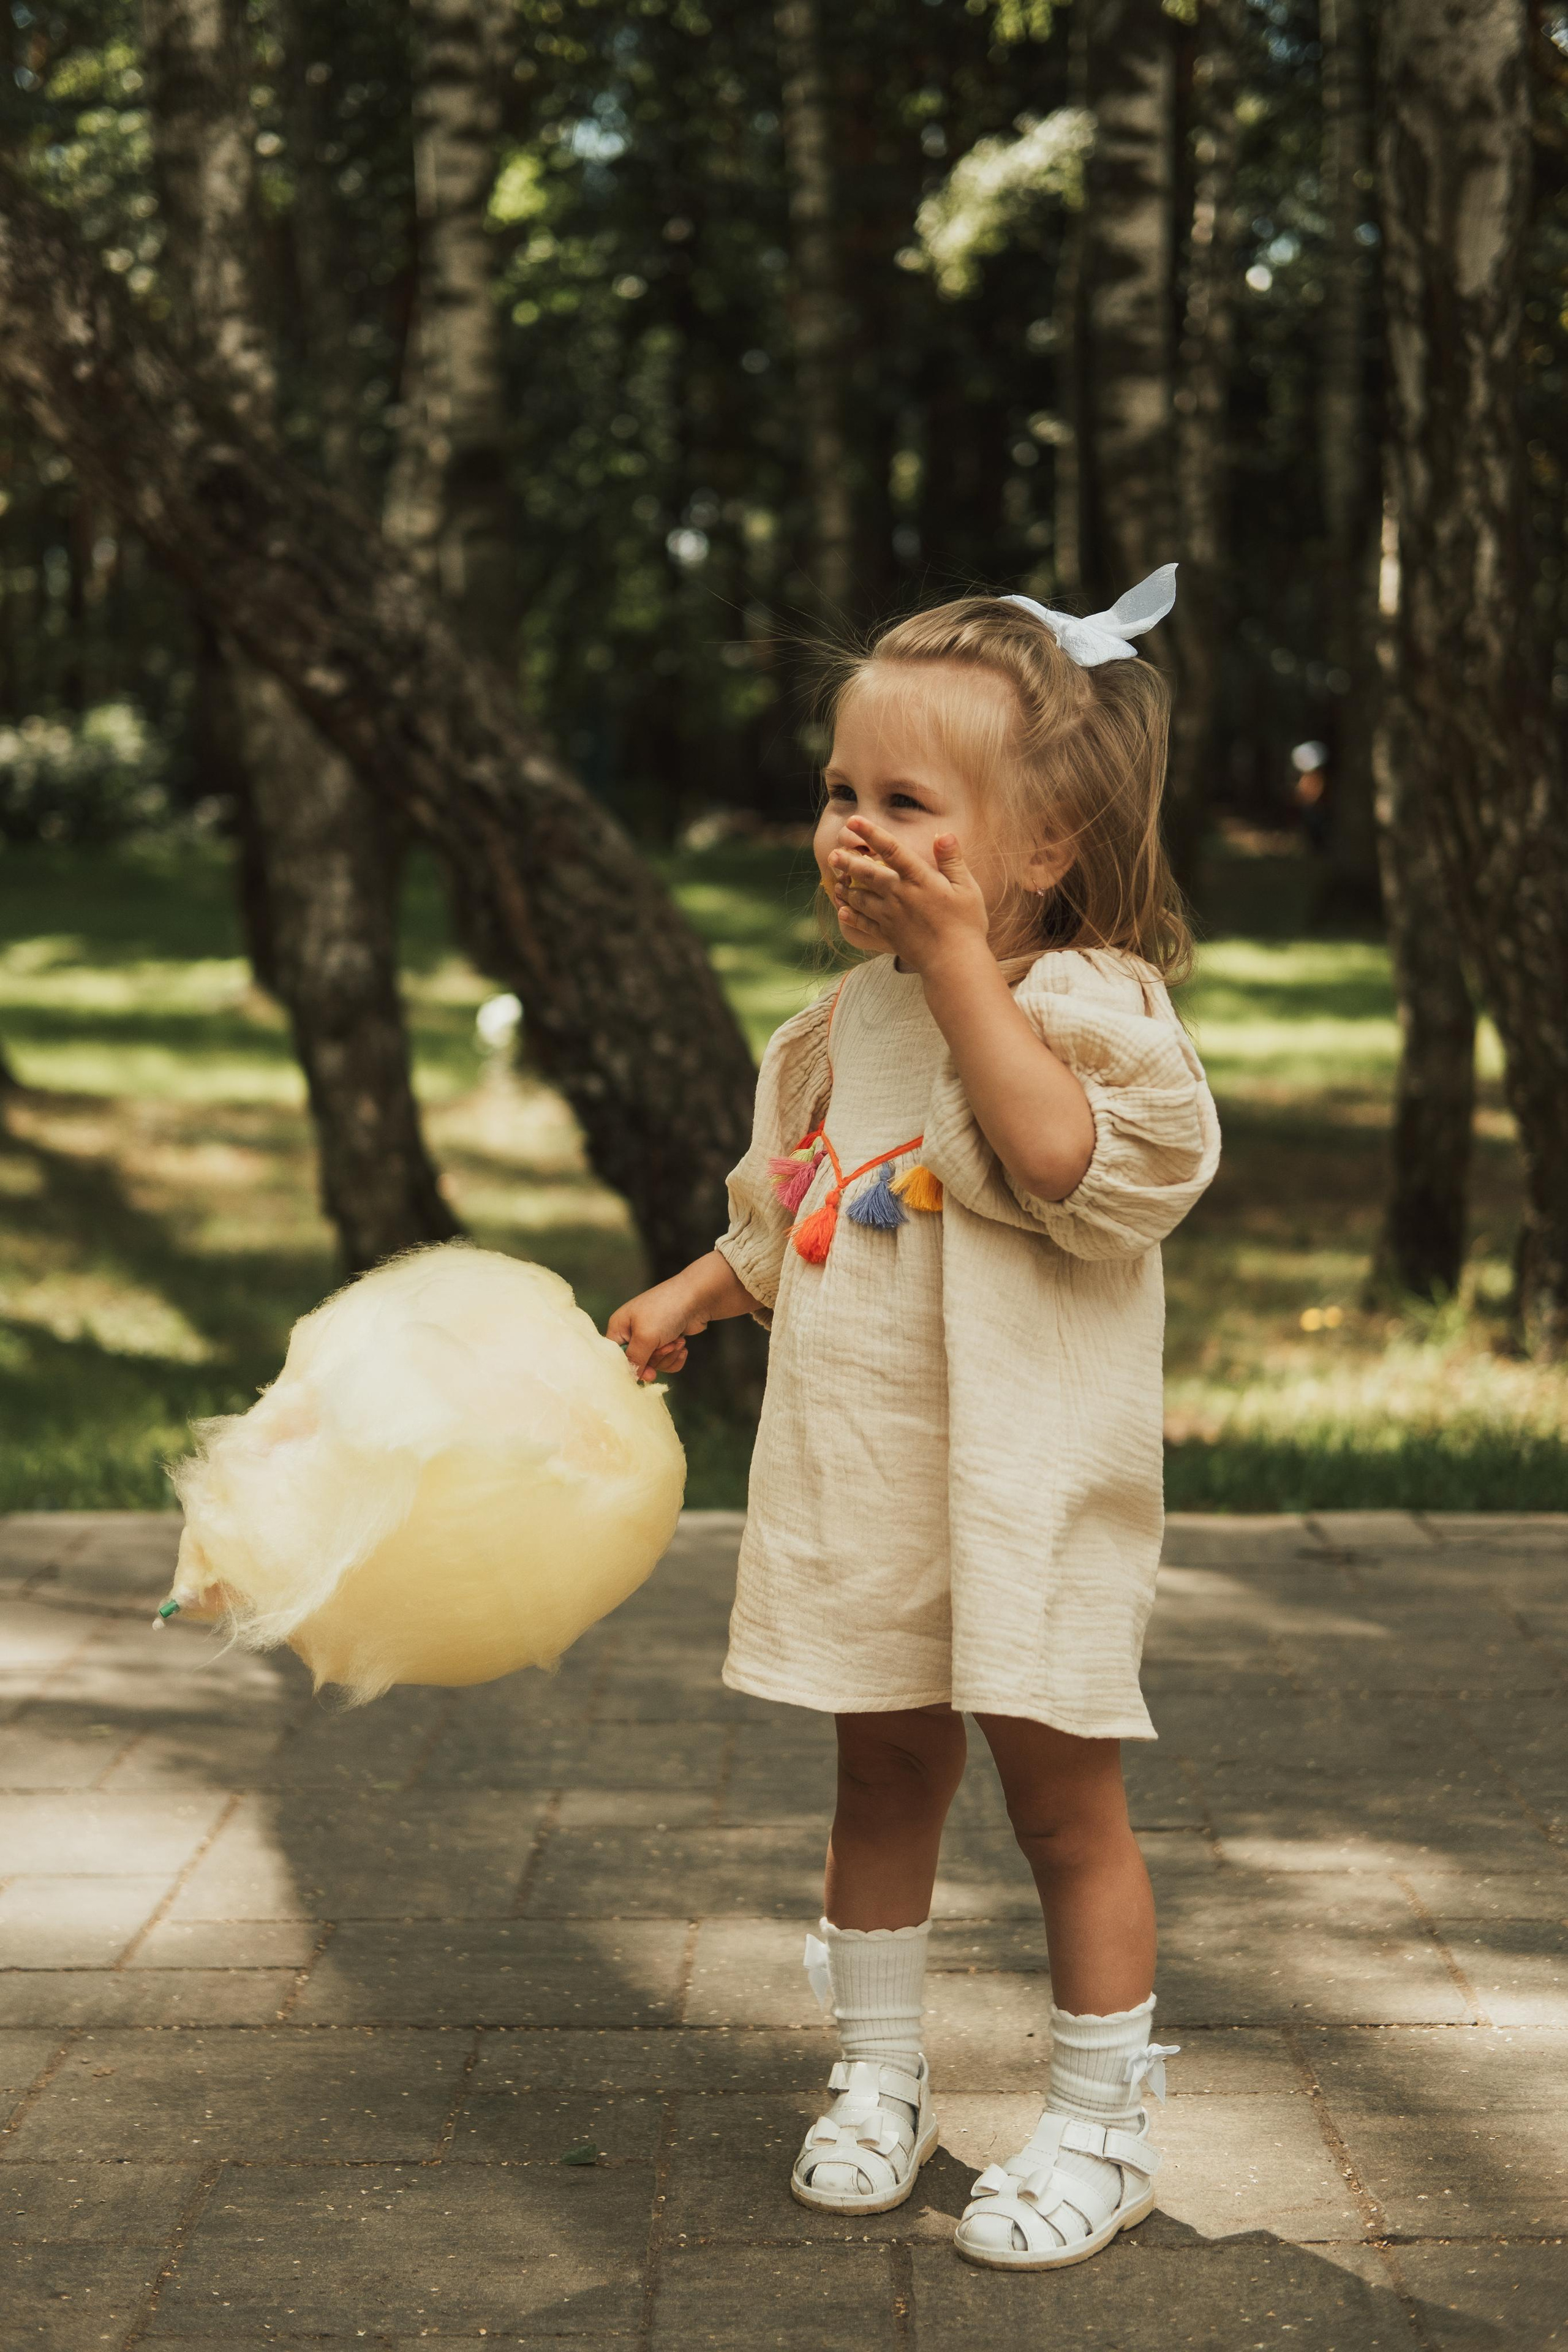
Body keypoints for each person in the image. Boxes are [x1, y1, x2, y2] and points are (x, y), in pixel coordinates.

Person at [608, 569, 1220, 2272]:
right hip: (872, 1485)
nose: (851, 832)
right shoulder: (836, 1030)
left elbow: (1058, 1167)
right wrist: (694, 1292)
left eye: (905, 805)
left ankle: (1104, 2130)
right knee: (880, 1771)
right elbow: (799, 1208)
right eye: (837, 794)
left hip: (1027, 1499)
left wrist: (964, 967)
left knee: (1058, 1807)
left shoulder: (1091, 1009)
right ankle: (879, 2077)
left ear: (1042, 846)